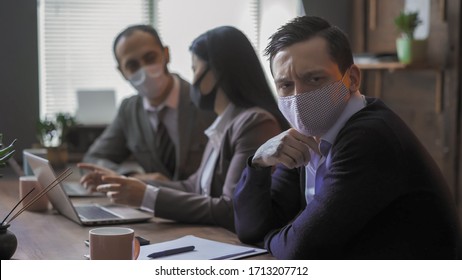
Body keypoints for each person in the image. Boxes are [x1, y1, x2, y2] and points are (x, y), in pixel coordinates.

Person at [233, 16, 462, 259]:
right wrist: (258, 162)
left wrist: (267, 238)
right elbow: (250, 229)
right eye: (286, 85)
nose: (298, 97)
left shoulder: (370, 138)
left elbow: (301, 250)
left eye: (314, 79)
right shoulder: (306, 136)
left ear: (352, 79)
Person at [78, 26, 288, 232]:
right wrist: (129, 183)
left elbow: (232, 208)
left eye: (194, 69)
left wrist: (146, 196)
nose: (193, 79)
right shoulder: (224, 123)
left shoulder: (254, 122)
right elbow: (194, 186)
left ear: (217, 72)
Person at [82, 25, 216, 181]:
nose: (144, 70)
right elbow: (92, 160)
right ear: (122, 72)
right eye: (132, 65)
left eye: (150, 58)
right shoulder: (129, 110)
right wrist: (133, 177)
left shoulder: (206, 100)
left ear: (166, 54)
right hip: (150, 204)